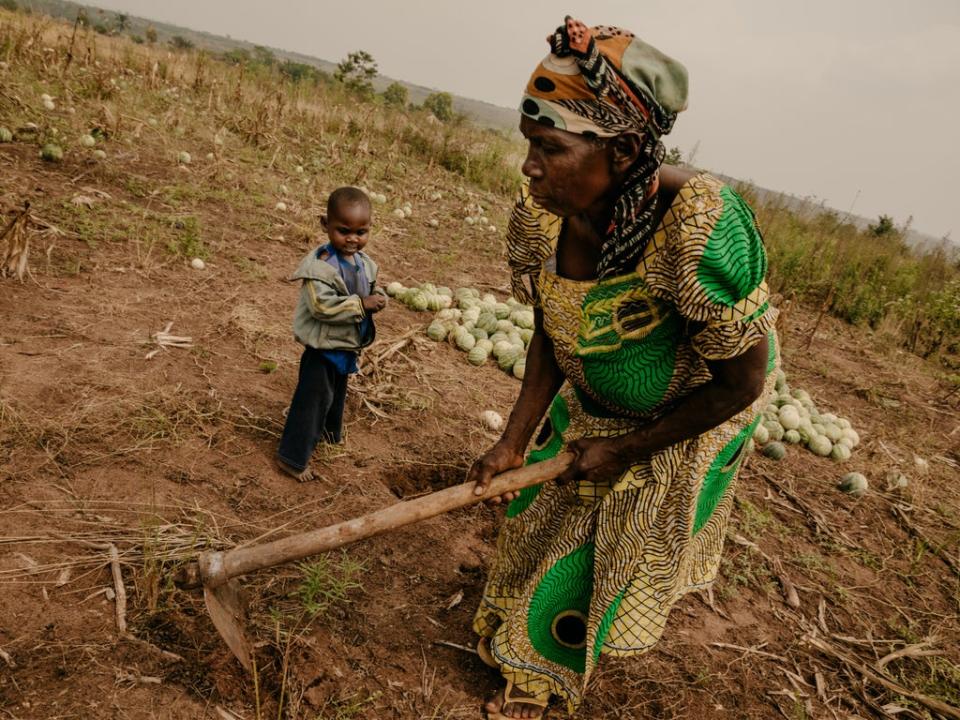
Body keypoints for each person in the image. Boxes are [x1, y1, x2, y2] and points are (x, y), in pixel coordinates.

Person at [467, 18, 779, 719]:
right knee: (541, 510)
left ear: (627, 148)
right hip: (597, 393)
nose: (529, 166)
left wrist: (628, 449)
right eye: (529, 146)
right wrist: (514, 437)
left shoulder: (697, 230)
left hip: (683, 411)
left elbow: (742, 382)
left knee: (605, 542)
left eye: (549, 148)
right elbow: (554, 325)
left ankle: (542, 678)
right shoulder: (549, 214)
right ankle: (512, 625)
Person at [276, 187, 387, 482]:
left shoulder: (363, 262)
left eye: (361, 231)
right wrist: (361, 304)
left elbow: (368, 286)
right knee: (312, 400)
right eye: (343, 230)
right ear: (325, 225)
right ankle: (292, 457)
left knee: (336, 393)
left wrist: (377, 295)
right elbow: (322, 307)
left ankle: (328, 434)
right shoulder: (320, 268)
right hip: (322, 348)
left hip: (345, 344)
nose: (353, 238)